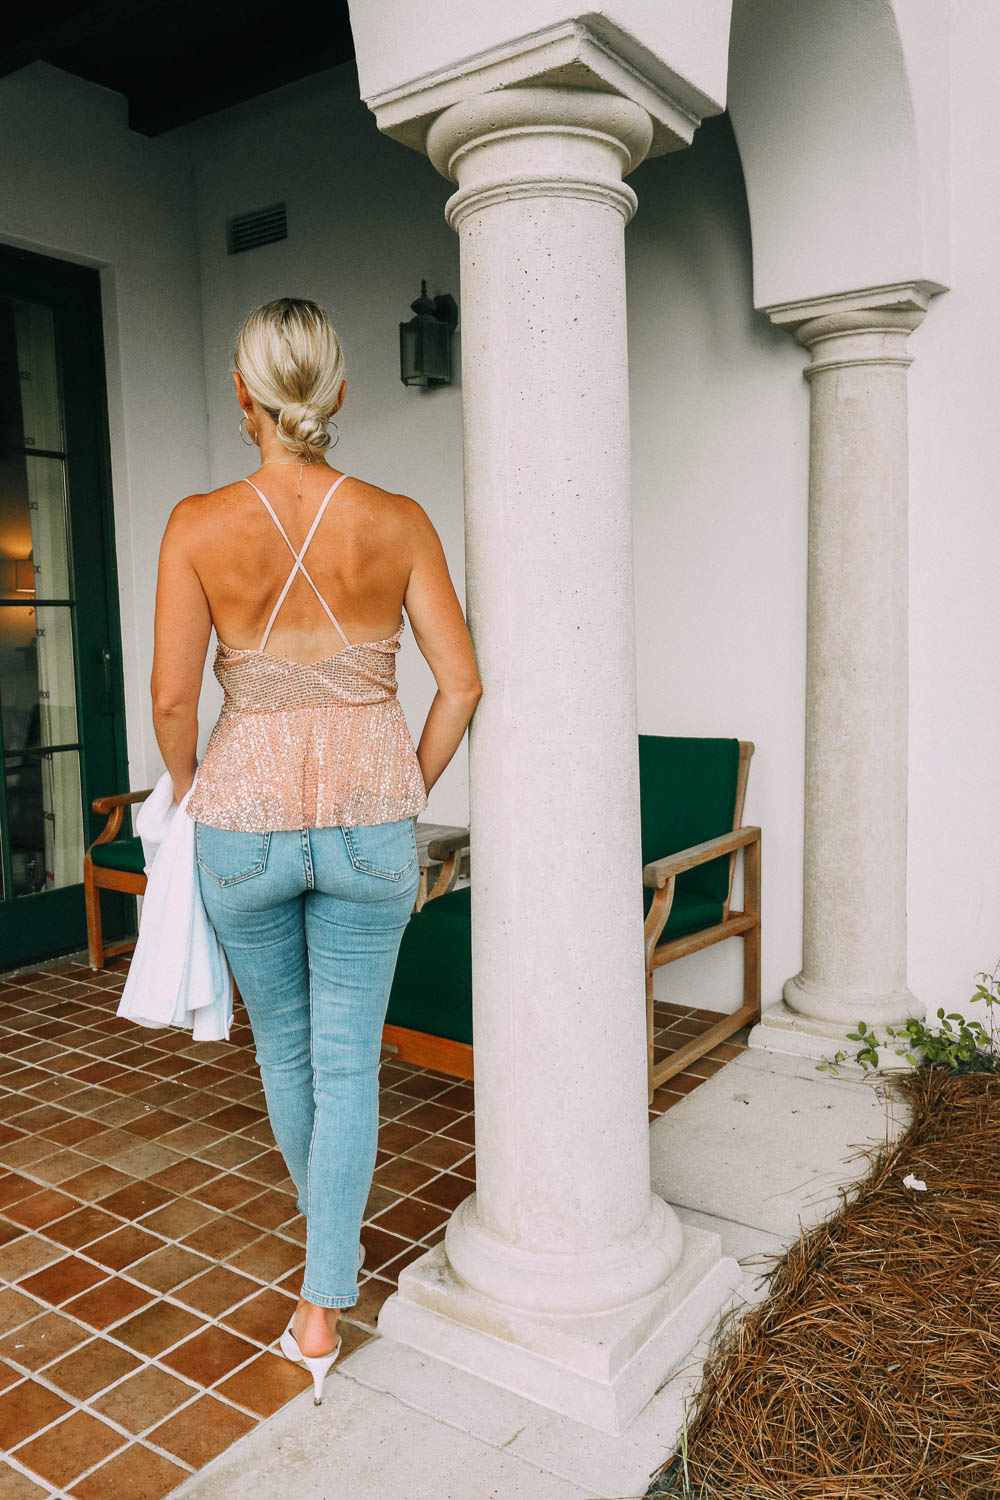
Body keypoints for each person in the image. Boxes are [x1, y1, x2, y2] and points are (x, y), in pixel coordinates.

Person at [150, 296, 482, 1398]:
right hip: (368, 822)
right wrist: (401, 787)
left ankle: (322, 1280)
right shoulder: (398, 519)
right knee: (349, 1067)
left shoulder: (197, 524)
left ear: (241, 395)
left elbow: (166, 702)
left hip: (241, 827)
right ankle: (323, 1296)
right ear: (337, 394)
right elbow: (462, 684)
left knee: (284, 1058)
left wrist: (201, 790)